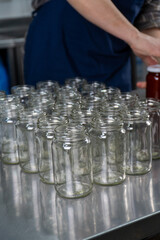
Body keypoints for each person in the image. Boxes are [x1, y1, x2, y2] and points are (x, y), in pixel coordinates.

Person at [24, 0, 160, 92]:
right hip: (61, 45)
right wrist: (135, 37)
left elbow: (149, 11)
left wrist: (155, 52)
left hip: (113, 56)